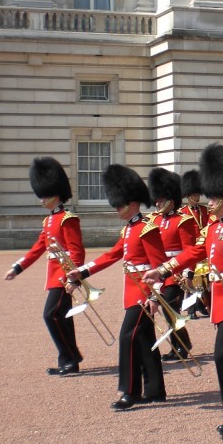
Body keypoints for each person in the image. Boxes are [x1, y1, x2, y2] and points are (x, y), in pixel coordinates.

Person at [145, 145, 223, 442]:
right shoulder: (214, 225)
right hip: (222, 299)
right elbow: (196, 251)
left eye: (214, 195)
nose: (209, 201)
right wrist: (164, 270)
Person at [67, 165, 167, 410]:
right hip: (132, 291)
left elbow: (161, 264)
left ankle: (130, 391)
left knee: (127, 338)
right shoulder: (129, 229)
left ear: (132, 203)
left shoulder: (147, 228)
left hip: (144, 293)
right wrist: (83, 271)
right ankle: (155, 390)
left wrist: (157, 296)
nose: (116, 209)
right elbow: (111, 255)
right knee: (144, 339)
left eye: (119, 204)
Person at [5, 157, 85, 376]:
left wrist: (73, 277)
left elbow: (77, 251)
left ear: (56, 193)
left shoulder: (68, 219)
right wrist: (18, 267)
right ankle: (68, 359)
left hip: (63, 276)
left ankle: (71, 356)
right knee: (61, 318)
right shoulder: (49, 221)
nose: (41, 199)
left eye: (45, 195)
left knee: (50, 315)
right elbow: (37, 248)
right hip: (54, 276)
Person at [148, 168, 199, 361]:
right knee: (161, 309)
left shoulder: (182, 221)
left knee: (170, 310)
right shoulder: (153, 220)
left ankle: (181, 345)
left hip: (174, 272)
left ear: (171, 199)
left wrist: (188, 273)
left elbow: (189, 250)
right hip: (156, 271)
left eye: (161, 199)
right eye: (157, 199)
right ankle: (180, 343)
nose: (157, 202)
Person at [180, 169, 210, 318]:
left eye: (198, 194)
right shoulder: (183, 212)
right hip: (192, 249)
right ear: (188, 195)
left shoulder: (205, 210)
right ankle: (191, 309)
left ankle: (201, 305)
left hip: (204, 250)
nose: (197, 196)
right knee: (191, 281)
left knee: (204, 280)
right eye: (194, 194)